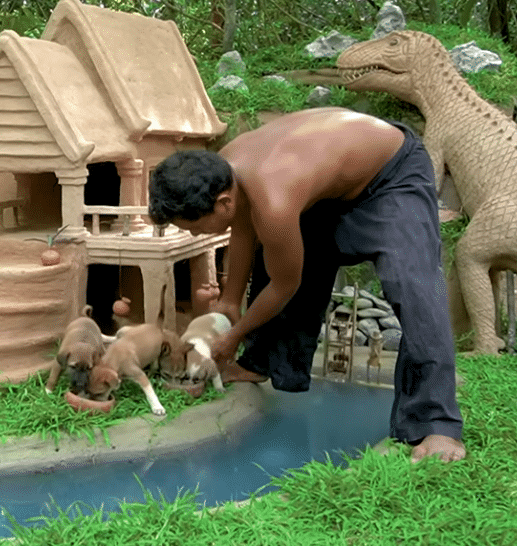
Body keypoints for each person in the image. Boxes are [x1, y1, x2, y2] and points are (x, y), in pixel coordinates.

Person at [147, 107, 465, 463]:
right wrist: (230, 299)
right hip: (326, 185)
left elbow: (285, 286)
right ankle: (262, 362)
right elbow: (243, 224)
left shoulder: (274, 198)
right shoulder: (226, 171)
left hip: (391, 173)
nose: (193, 235)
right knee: (277, 255)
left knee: (412, 284)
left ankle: (438, 424)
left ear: (222, 203)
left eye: (194, 227)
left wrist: (233, 336)